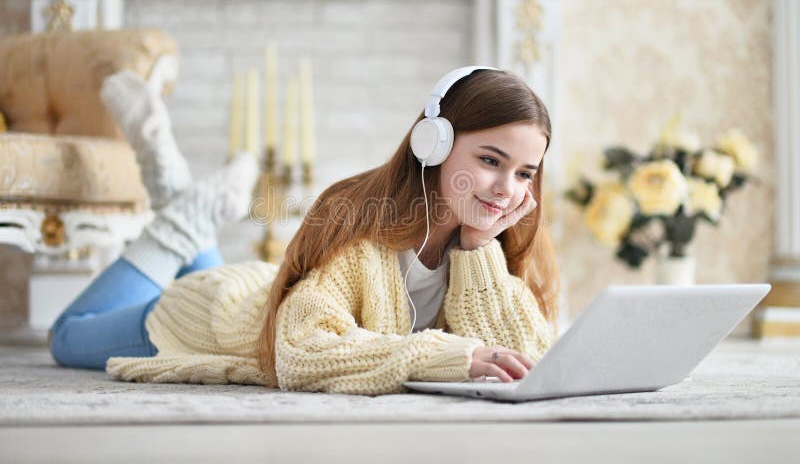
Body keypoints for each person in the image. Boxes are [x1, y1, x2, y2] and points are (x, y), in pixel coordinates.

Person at [49, 66, 560, 396]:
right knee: (68, 337)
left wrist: (477, 248)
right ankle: (181, 222)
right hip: (209, 316)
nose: (505, 189)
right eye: (491, 160)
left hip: (257, 290)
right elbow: (302, 353)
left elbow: (527, 359)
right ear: (436, 144)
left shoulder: (486, 246)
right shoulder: (364, 235)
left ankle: (178, 194)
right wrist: (453, 356)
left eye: (524, 173)